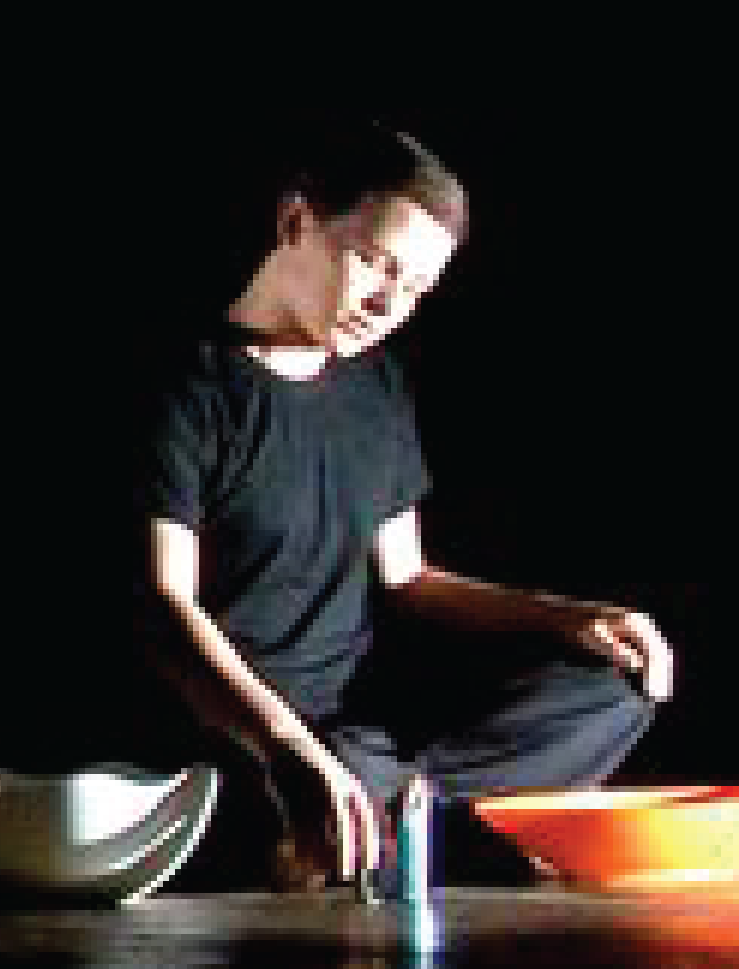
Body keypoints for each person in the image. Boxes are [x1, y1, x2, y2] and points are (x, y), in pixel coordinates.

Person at [132, 126, 673, 892]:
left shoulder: (375, 386)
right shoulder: (187, 389)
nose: (390, 305)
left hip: (362, 738)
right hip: (240, 739)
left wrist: (571, 617)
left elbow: (407, 575)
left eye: (416, 289)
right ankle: (376, 826)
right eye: (376, 264)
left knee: (615, 683)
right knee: (337, 770)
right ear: (295, 221)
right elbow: (164, 604)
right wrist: (288, 747)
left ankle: (380, 825)